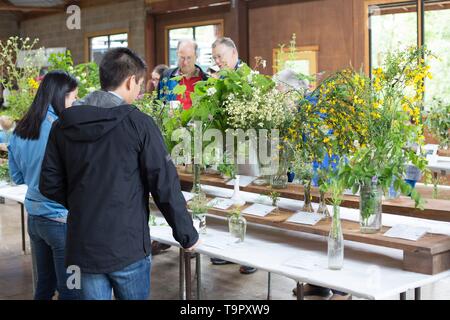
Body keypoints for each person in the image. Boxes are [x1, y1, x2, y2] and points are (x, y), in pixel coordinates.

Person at [39, 48, 199, 300]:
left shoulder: (63, 124)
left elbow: (48, 184)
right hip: (127, 246)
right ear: (129, 81)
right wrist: (187, 235)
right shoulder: (139, 124)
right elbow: (164, 184)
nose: (140, 91)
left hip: (83, 245)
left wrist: (83, 202)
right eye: (139, 84)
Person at [8, 70, 80, 300]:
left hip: (36, 220)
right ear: (61, 96)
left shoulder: (21, 129)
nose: (75, 103)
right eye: (74, 98)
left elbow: (17, 177)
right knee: (73, 288)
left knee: (44, 287)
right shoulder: (63, 129)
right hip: (62, 223)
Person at [210, 37, 257, 275]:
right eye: (215, 58)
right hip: (226, 144)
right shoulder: (219, 77)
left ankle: (249, 254)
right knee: (230, 195)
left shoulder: (249, 76)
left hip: (248, 145)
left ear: (234, 53)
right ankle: (231, 249)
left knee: (247, 196)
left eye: (220, 56)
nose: (217, 62)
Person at [157, 39, 208, 110]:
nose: (185, 62)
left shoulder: (206, 79)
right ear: (177, 54)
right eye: (182, 58)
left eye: (189, 58)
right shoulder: (167, 76)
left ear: (196, 56)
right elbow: (158, 103)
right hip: (172, 120)